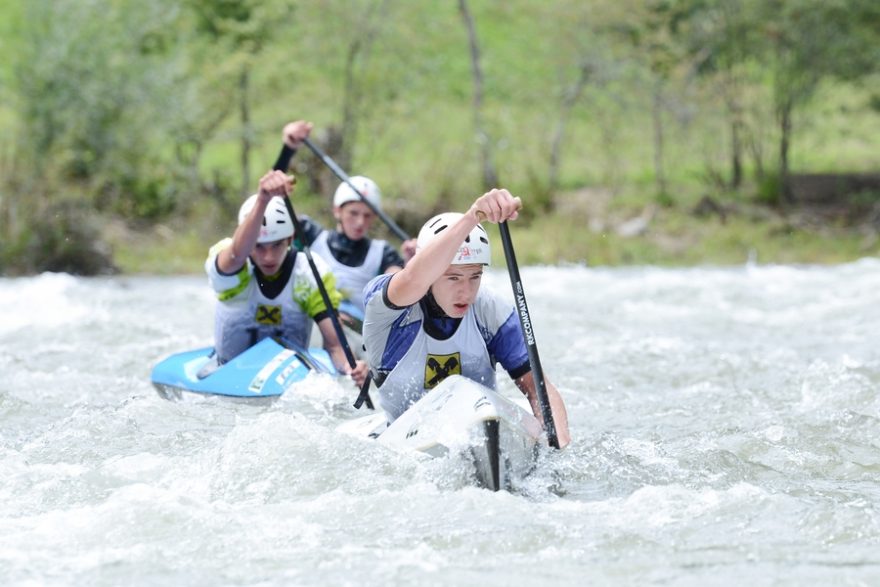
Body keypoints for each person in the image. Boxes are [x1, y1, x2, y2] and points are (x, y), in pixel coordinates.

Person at [360, 188, 570, 447]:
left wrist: (558, 451)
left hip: (478, 429)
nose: (466, 291)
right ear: (432, 273)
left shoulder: (492, 310)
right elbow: (414, 278)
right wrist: (474, 216)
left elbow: (538, 389)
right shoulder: (386, 307)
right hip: (404, 433)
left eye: (475, 276)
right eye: (453, 278)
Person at [204, 168, 369, 386]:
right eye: (259, 247)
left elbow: (334, 346)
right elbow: (236, 254)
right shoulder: (233, 262)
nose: (268, 256)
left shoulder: (310, 273)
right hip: (227, 371)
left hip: (285, 384)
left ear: (290, 238)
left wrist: (351, 368)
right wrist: (263, 200)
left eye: (277, 245)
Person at [275, 120, 417, 328]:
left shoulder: (383, 253)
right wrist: (288, 149)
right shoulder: (309, 235)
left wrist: (414, 265)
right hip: (312, 326)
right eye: (353, 213)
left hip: (355, 336)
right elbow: (274, 202)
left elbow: (399, 287)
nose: (360, 222)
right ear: (337, 211)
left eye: (368, 215)